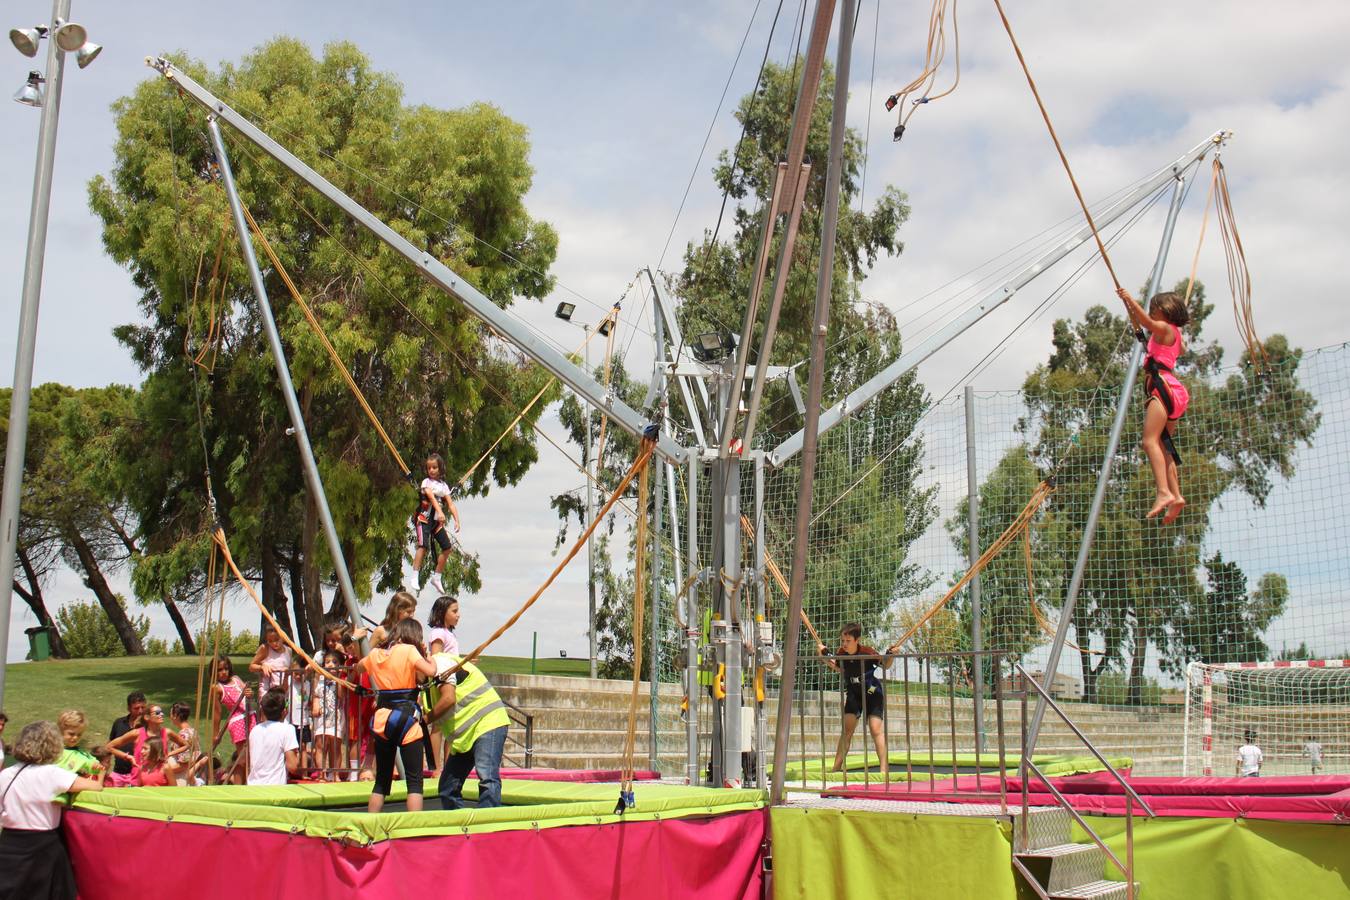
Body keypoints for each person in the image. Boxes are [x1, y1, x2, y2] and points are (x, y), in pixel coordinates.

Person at [0, 721, 105, 899]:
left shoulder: (6, 774)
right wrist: (100, 772)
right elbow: (96, 787)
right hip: (43, 849)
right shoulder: (53, 774)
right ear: (52, 745)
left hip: (9, 845)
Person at [1117, 287, 1192, 523]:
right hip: (1175, 392)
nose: (1151, 312)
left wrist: (1129, 300)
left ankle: (1164, 492)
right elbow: (1168, 344)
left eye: (1153, 309)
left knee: (1149, 441)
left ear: (1163, 310)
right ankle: (1176, 495)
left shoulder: (1163, 328)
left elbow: (1148, 323)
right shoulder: (1175, 335)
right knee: (1164, 446)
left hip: (1162, 387)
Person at [356, 618, 437, 813]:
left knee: (382, 782)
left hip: (382, 720)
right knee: (415, 782)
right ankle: (413, 830)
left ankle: (371, 823)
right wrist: (429, 656)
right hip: (406, 719)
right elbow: (431, 672)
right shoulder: (408, 651)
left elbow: (359, 667)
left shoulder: (375, 654)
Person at [430, 652, 510, 810]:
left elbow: (449, 699)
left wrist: (423, 720)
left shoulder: (440, 662)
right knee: (447, 787)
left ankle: (487, 828)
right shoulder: (423, 684)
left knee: (487, 778)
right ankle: (461, 828)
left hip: (488, 722)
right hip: (466, 735)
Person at [818, 624, 893, 778]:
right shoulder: (841, 653)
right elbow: (838, 667)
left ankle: (884, 771)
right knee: (847, 730)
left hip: (872, 690)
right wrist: (823, 655)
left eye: (848, 640)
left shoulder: (867, 652)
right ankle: (836, 769)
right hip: (853, 691)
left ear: (857, 640)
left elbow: (885, 665)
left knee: (875, 729)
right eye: (842, 640)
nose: (844, 644)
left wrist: (890, 654)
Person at [411, 453, 460, 595]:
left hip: (435, 522)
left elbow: (450, 503)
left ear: (440, 469)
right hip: (424, 518)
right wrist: (440, 512)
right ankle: (415, 575)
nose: (431, 470)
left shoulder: (444, 486)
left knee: (447, 547)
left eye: (434, 467)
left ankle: (437, 577)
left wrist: (457, 520)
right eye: (429, 468)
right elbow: (431, 497)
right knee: (423, 546)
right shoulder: (426, 482)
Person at [211, 655, 253, 783]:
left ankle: (247, 781)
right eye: (219, 670)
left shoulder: (235, 679)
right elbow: (217, 712)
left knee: (253, 754)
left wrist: (249, 693)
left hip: (251, 716)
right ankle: (241, 784)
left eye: (226, 669)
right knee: (243, 757)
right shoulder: (217, 688)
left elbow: (247, 693)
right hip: (238, 720)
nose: (223, 673)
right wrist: (216, 733)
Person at [247, 688, 300, 786]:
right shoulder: (287, 729)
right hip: (274, 789)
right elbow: (293, 766)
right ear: (284, 711)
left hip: (253, 787)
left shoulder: (255, 730)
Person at [311, 650, 347, 780]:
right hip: (322, 716)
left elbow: (341, 695)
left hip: (335, 715)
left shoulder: (341, 679)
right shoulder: (319, 678)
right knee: (320, 744)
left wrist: (336, 679)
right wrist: (315, 704)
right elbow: (315, 694)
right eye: (327, 662)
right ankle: (322, 773)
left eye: (334, 662)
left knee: (335, 745)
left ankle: (335, 773)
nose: (330, 664)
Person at [107, 691, 147, 786]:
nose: (140, 711)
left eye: (143, 707)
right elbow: (110, 743)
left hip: (139, 774)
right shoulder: (119, 723)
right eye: (136, 708)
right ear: (129, 708)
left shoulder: (148, 726)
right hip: (118, 773)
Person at [54, 710, 101, 777]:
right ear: (60, 731)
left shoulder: (82, 753)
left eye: (79, 734)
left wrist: (96, 766)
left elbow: (93, 765)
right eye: (71, 734)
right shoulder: (53, 751)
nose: (75, 737)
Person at [250, 625, 294, 693]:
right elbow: (251, 667)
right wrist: (262, 667)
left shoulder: (288, 650)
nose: (274, 643)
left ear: (283, 637)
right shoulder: (265, 648)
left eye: (277, 639)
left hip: (284, 689)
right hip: (268, 691)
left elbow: (291, 668)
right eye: (270, 641)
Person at [168, 702, 201, 784]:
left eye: (171, 714)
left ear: (175, 715)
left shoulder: (184, 735)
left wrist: (163, 771)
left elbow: (184, 765)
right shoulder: (192, 731)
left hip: (181, 779)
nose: (170, 717)